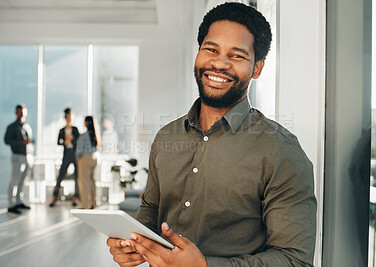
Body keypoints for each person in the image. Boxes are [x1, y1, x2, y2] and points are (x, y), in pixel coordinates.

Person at [106, 2, 316, 266]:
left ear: (258, 68)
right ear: (198, 54)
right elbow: (151, 209)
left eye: (237, 55)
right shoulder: (167, 137)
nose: (219, 63)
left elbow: (295, 259)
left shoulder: (280, 151)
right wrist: (133, 241)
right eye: (211, 49)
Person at [4, 104, 33, 215]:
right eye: (19, 111)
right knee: (14, 181)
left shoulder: (27, 126)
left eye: (23, 111)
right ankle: (11, 205)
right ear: (16, 112)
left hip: (27, 156)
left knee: (22, 180)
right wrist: (20, 142)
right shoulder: (12, 127)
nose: (21, 114)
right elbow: (7, 140)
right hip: (18, 156)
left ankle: (18, 201)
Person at [49, 108, 80, 207]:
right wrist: (65, 141)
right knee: (60, 176)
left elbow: (79, 141)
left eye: (70, 116)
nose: (69, 118)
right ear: (65, 117)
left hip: (74, 155)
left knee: (77, 177)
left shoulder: (75, 129)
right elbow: (59, 142)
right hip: (66, 155)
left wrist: (72, 139)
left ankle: (75, 198)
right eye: (67, 116)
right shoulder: (62, 130)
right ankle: (54, 197)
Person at [76, 116, 101, 209]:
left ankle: (85, 205)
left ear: (86, 123)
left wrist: (77, 159)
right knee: (92, 181)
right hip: (95, 158)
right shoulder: (96, 134)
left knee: (84, 182)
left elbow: (79, 150)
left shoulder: (84, 136)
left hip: (86, 158)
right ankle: (93, 202)